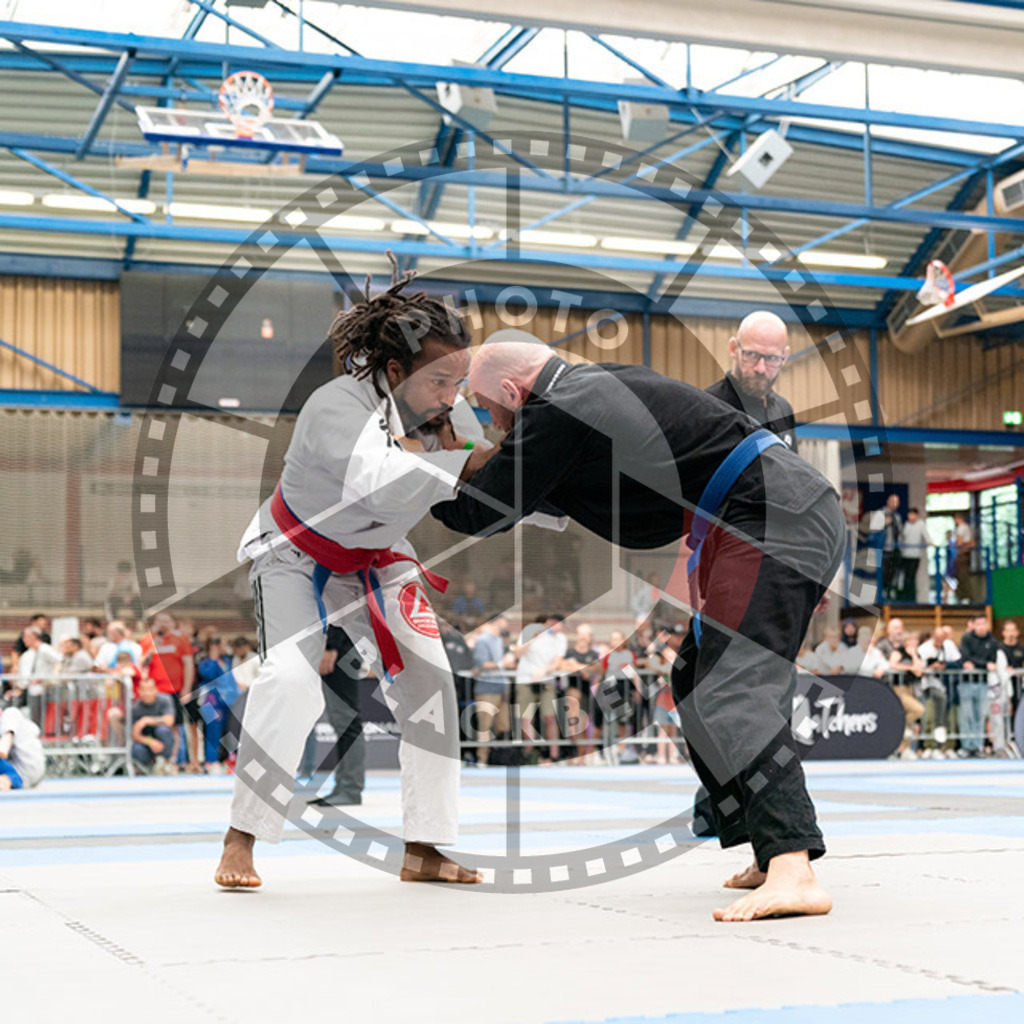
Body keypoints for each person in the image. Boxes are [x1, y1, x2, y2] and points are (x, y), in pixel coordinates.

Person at [433, 340, 845, 922]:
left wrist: (418, 475)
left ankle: (793, 865)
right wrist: (462, 463)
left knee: (731, 684)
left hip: (774, 514)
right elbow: (527, 482)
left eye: (487, 409)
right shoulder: (586, 391)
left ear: (510, 392)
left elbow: (490, 505)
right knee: (697, 679)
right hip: (768, 511)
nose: (492, 424)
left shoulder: (562, 406)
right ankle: (765, 841)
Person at [216, 262, 498, 890]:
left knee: (432, 682)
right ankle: (242, 837)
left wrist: (549, 481)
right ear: (394, 372)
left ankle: (424, 849)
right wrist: (469, 456)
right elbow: (377, 478)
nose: (455, 392)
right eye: (441, 379)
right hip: (297, 550)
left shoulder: (451, 413)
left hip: (377, 557)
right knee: (290, 678)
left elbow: (481, 492)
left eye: (460, 377)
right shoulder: (335, 406)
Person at [705, 310, 797, 451]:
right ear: (733, 348)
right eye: (752, 354)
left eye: (772, 358)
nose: (760, 369)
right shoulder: (709, 408)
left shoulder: (784, 410)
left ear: (785, 357)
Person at [307, 626, 367, 807]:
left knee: (347, 722)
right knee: (341, 722)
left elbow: (339, 609)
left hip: (341, 650)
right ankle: (342, 786)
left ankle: (350, 788)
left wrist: (332, 645)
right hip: (339, 647)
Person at [139, 613, 196, 770]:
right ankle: (156, 760)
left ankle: (174, 759)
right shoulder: (147, 639)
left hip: (174, 690)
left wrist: (186, 689)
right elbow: (142, 663)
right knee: (152, 726)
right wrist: (153, 646)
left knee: (174, 726)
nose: (163, 624)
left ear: (172, 623)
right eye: (159, 621)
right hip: (153, 692)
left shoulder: (181, 639)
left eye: (166, 621)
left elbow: (188, 664)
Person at [514, 615, 568, 763]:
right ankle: (531, 752)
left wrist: (544, 671)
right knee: (526, 718)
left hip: (546, 680)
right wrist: (531, 639)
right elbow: (518, 653)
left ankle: (553, 754)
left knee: (549, 717)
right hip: (525, 679)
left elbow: (557, 662)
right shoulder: (529, 632)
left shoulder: (560, 639)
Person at [471, 617, 510, 767]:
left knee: (503, 726)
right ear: (496, 622)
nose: (506, 624)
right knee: (485, 725)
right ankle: (482, 758)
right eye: (504, 620)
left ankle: (498, 757)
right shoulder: (483, 640)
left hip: (501, 686)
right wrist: (502, 664)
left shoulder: (499, 640)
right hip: (487, 687)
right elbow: (481, 664)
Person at [958, 615, 998, 757]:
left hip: (982, 683)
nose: (981, 626)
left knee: (980, 716)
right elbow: (966, 657)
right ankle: (966, 746)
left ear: (987, 624)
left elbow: (992, 661)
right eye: (978, 624)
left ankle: (977, 745)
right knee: (966, 715)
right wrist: (984, 664)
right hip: (967, 682)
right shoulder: (967, 639)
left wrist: (978, 664)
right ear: (973, 625)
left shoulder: (992, 641)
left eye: (983, 623)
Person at [130, 676, 176, 774]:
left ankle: (165, 762)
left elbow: (169, 720)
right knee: (136, 749)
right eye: (144, 690)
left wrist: (147, 720)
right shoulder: (135, 708)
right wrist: (150, 742)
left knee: (163, 730)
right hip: (146, 743)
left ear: (156, 690)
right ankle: (145, 767)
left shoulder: (165, 700)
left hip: (163, 742)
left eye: (150, 689)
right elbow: (134, 734)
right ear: (138, 691)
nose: (147, 693)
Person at [0, 703, 44, 792]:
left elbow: (3, 750)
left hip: (25, 770)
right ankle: (6, 781)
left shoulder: (11, 714)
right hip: (22, 772)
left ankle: (6, 781)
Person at [899, 508, 928, 603]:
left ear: (916, 515)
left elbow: (926, 536)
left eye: (913, 514)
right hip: (905, 555)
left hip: (915, 555)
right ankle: (905, 597)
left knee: (911, 577)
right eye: (909, 514)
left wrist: (930, 543)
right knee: (906, 577)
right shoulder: (906, 525)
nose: (911, 517)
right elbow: (902, 537)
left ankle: (911, 598)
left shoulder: (921, 524)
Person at [953, 511, 975, 604]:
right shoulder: (968, 527)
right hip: (966, 554)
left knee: (962, 576)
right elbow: (972, 542)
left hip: (962, 554)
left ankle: (965, 596)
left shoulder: (961, 528)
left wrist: (960, 546)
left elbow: (959, 542)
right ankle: (962, 596)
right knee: (962, 575)